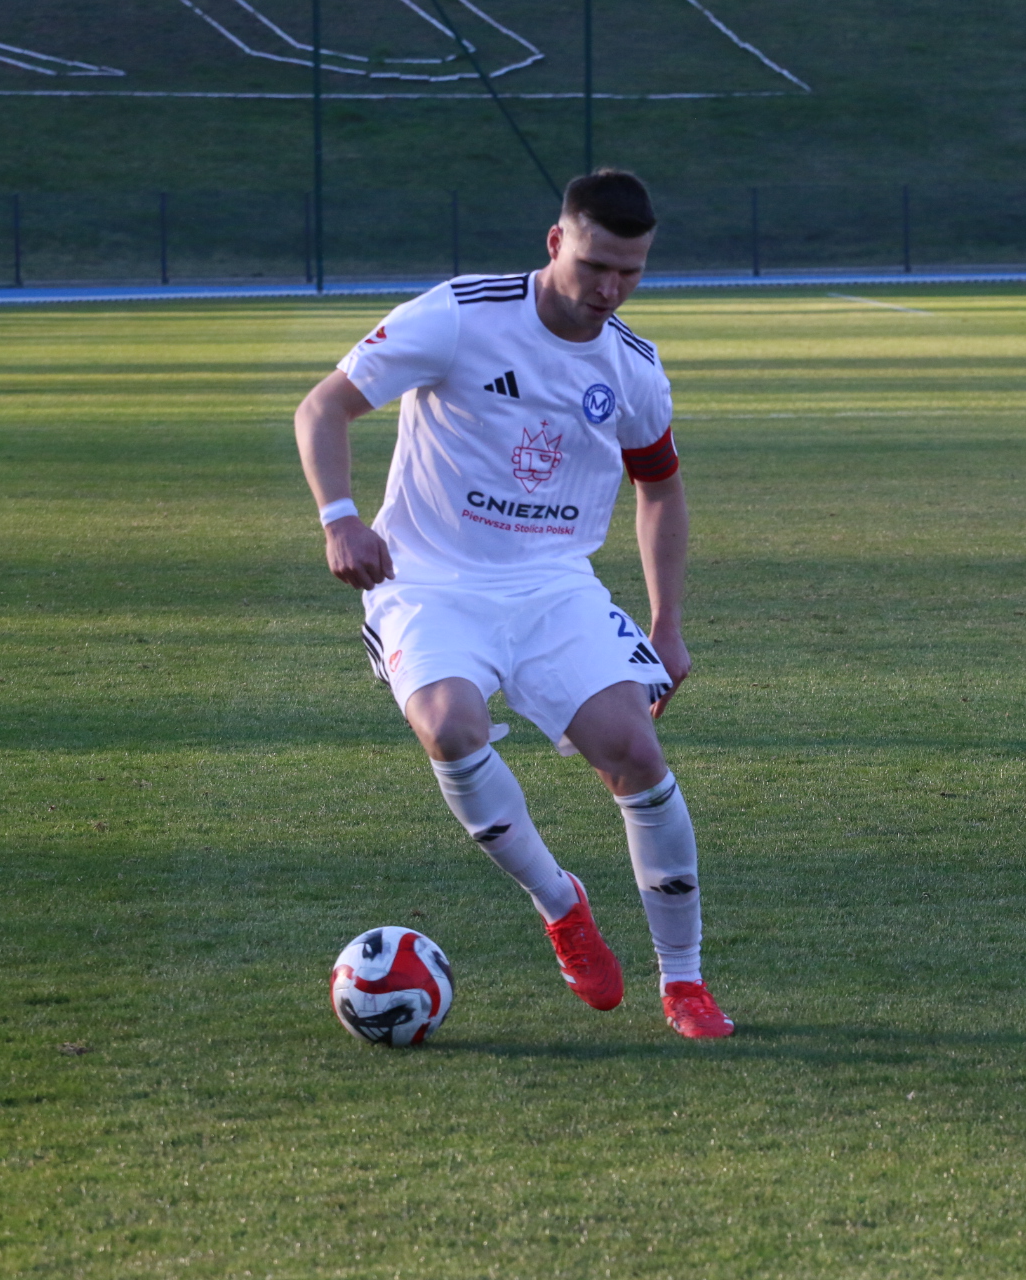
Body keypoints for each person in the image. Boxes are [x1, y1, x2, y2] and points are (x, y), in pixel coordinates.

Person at [293, 168, 733, 1039]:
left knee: (636, 755)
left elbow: (660, 490)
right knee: (450, 727)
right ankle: (561, 905)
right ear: (556, 241)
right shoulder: (461, 315)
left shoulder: (633, 367)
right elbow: (324, 407)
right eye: (596, 265)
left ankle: (683, 981)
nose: (610, 289)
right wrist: (339, 518)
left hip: (553, 587)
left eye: (631, 272)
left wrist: (667, 625)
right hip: (428, 581)